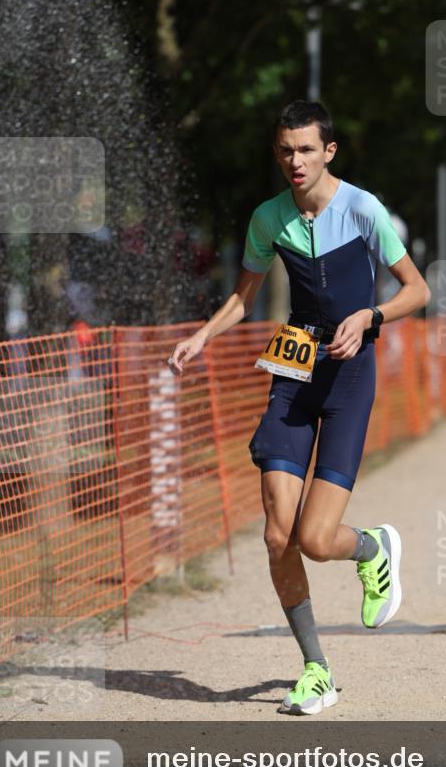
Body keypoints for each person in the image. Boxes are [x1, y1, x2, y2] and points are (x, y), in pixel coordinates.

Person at [169, 101, 430, 715]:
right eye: (286, 149)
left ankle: (371, 548)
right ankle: (316, 670)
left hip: (349, 377)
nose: (295, 160)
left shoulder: (364, 209)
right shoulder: (268, 218)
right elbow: (243, 295)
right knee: (277, 534)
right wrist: (202, 336)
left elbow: (418, 288)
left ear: (329, 152)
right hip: (293, 370)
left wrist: (371, 316)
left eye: (307, 149)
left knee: (315, 538)